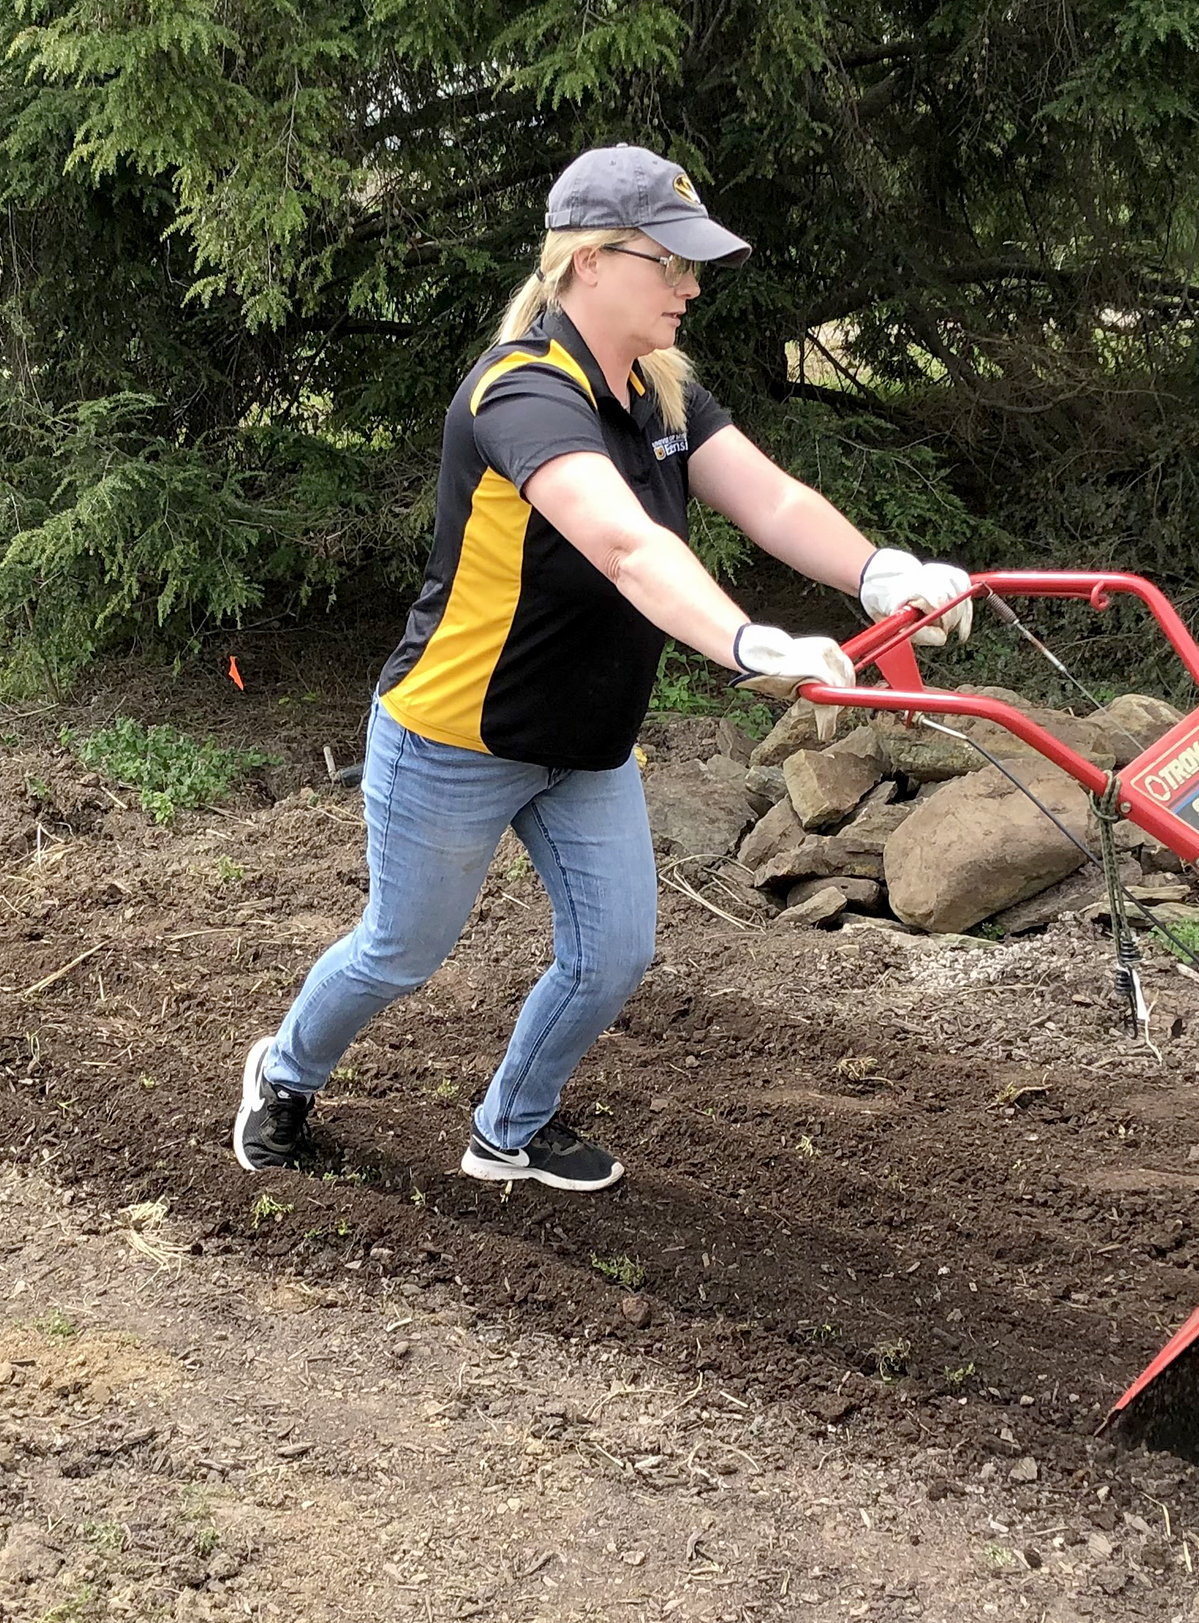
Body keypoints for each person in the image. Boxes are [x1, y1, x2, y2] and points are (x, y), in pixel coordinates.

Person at [232, 143, 973, 1189]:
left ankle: (509, 1128)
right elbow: (624, 544)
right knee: (403, 949)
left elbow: (770, 501)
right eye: (667, 260)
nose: (690, 283)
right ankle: (288, 1072)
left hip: (585, 743)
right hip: (457, 737)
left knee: (613, 951)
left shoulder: (662, 395)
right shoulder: (520, 393)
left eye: (694, 262)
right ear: (587, 262)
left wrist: (877, 571)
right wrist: (747, 642)